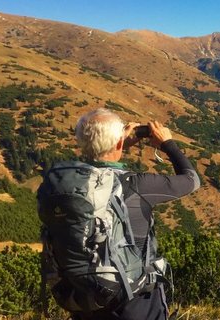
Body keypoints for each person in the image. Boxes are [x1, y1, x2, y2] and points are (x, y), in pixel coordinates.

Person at [71, 108, 200, 319]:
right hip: (134, 301)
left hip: (85, 300)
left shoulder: (68, 185)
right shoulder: (136, 185)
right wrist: (168, 144)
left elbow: (99, 172)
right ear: (119, 142)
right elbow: (191, 180)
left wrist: (115, 146)